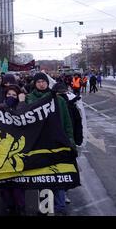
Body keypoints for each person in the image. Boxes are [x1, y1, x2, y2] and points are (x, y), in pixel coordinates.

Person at [26, 73, 74, 216]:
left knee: (58, 176)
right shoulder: (30, 100)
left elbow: (67, 122)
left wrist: (70, 139)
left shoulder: (58, 100)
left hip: (58, 142)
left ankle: (60, 207)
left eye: (43, 81)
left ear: (47, 83)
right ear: (35, 84)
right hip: (39, 144)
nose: (41, 84)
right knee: (43, 177)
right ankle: (45, 207)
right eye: (38, 81)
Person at [0, 85, 27, 215]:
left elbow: (22, 118)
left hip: (18, 150)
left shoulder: (23, 106)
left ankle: (20, 206)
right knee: (3, 182)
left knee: (18, 183)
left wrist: (21, 102)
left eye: (14, 95)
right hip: (2, 150)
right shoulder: (0, 108)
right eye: (9, 95)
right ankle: (8, 205)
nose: (11, 97)